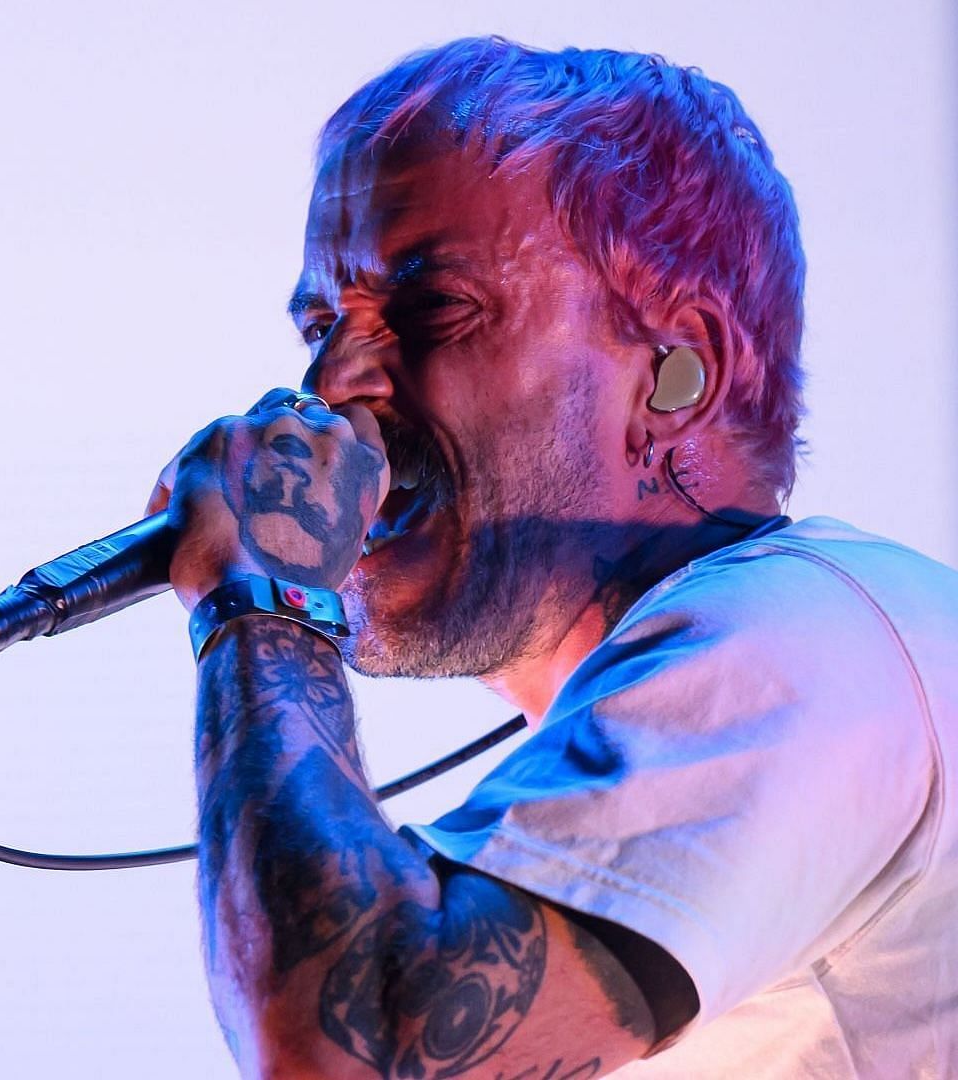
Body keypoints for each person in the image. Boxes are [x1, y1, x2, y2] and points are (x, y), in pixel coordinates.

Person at [147, 37, 956, 1079]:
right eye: (320, 324)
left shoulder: (806, 632)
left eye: (432, 310)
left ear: (676, 378)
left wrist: (263, 596)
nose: (331, 386)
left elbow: (358, 1050)